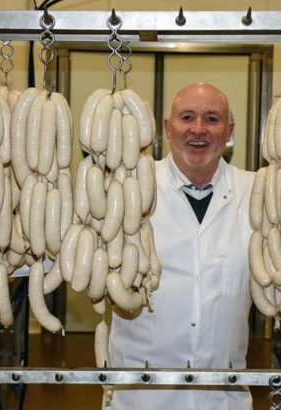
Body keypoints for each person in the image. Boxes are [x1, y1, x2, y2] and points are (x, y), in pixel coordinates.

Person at [108, 83, 255, 410]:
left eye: (212, 119)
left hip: (223, 398)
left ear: (229, 130)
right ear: (167, 128)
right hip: (141, 398)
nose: (198, 129)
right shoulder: (127, 189)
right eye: (187, 117)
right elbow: (63, 257)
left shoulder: (257, 192)